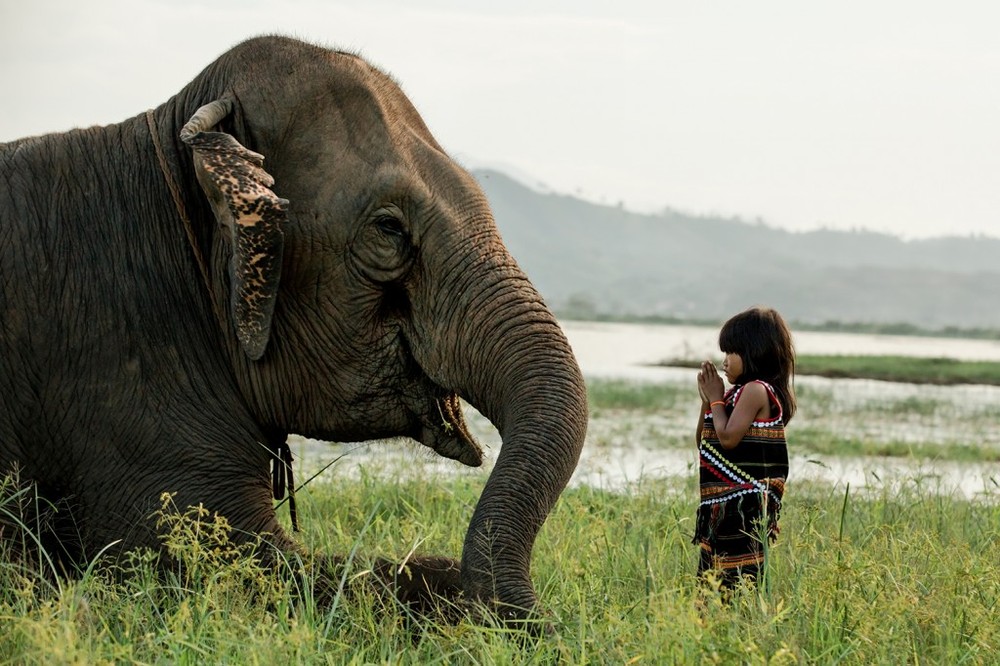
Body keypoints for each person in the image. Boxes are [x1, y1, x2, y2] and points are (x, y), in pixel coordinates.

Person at [693, 306, 796, 593]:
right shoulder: (736, 394)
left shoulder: (756, 390)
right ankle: (719, 630)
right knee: (713, 579)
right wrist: (708, 401)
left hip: (742, 508)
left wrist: (716, 399)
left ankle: (739, 627)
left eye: (731, 353)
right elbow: (705, 440)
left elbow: (727, 439)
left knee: (738, 580)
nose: (724, 362)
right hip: (724, 510)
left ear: (754, 351)